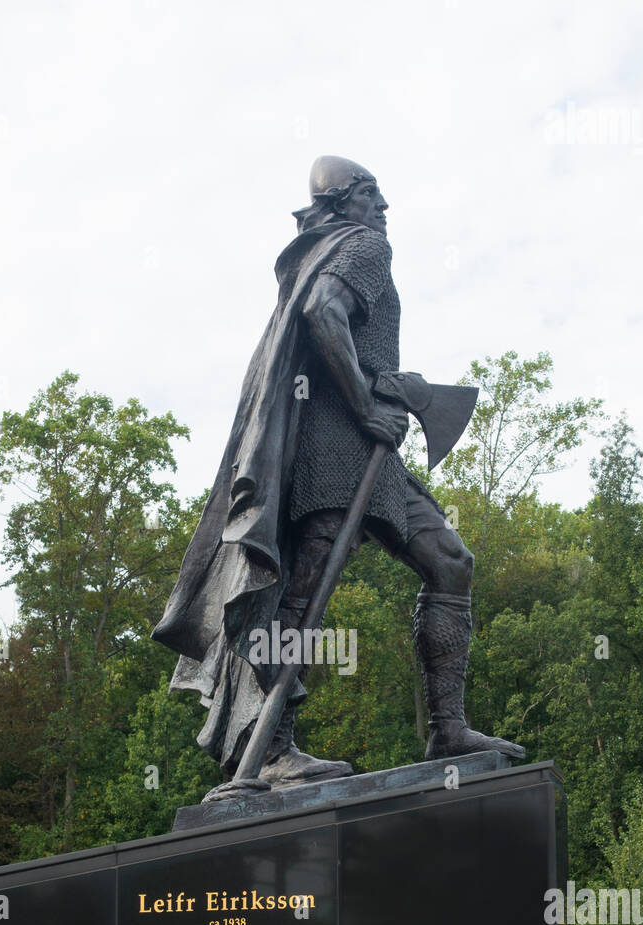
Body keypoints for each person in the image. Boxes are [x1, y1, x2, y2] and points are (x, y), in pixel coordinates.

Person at [153, 156, 524, 789]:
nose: (384, 209)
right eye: (372, 195)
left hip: (368, 451)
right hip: (339, 448)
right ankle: (269, 751)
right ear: (343, 203)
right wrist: (364, 403)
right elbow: (324, 312)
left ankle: (447, 728)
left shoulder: (327, 251)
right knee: (298, 602)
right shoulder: (362, 247)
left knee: (450, 563)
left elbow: (336, 329)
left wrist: (387, 387)